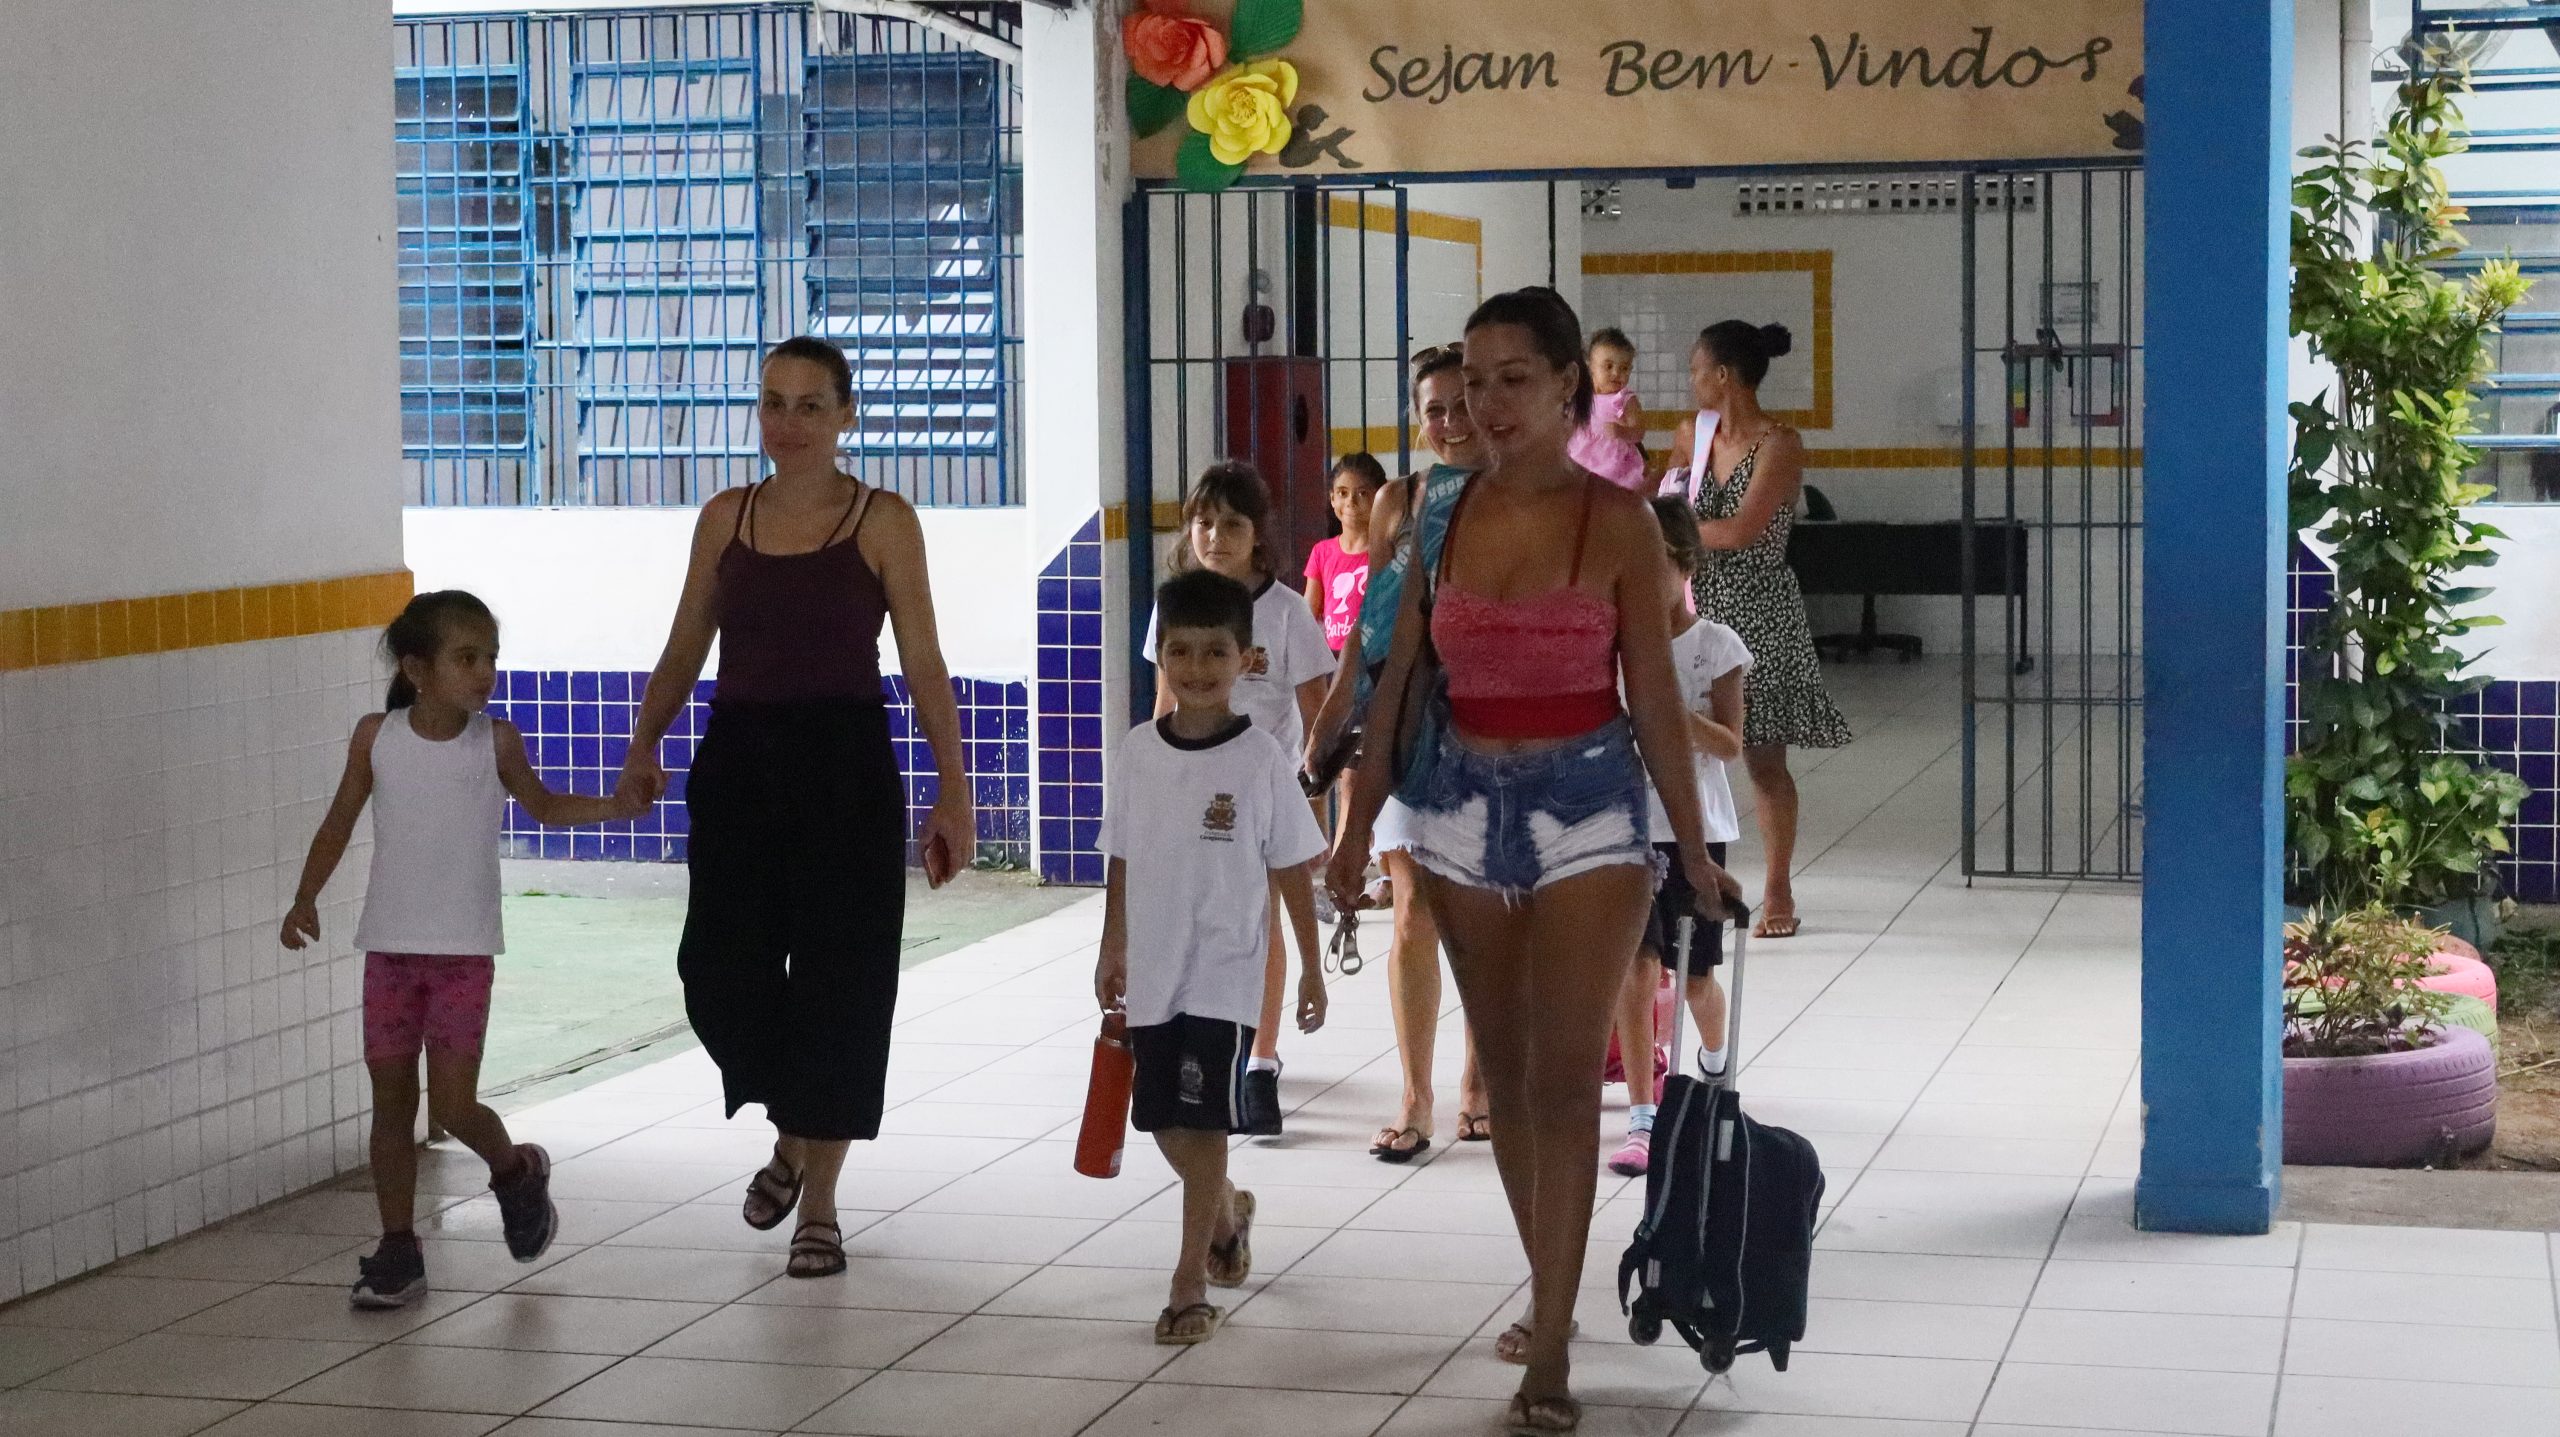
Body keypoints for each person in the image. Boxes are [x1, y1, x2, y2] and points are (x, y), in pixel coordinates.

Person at [1327, 288, 1743, 1435]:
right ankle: (1547, 1282)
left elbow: (1652, 701)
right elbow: (1400, 677)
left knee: (1563, 1080)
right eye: (1473, 380)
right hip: (1458, 809)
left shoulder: (1617, 522)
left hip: (1587, 811)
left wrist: (1694, 850)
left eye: (1514, 379)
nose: (1487, 402)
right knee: (1507, 1081)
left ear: (1568, 387)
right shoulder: (1436, 512)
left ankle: (1551, 1337)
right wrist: (1356, 828)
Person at [618, 336, 976, 1279]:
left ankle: (818, 1200)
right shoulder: (725, 519)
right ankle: (796, 1130)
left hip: (844, 770)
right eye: (774, 402)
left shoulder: (883, 521)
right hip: (740, 766)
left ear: (846, 416)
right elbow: (685, 642)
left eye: (811, 405)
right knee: (717, 973)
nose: (790, 423)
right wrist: (645, 741)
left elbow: (924, 660)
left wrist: (955, 789)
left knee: (841, 987)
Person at [282, 590, 651, 1308]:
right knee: (392, 1104)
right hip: (390, 951)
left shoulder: (496, 742)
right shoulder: (376, 737)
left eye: (491, 657)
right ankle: (398, 1247)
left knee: (453, 1105)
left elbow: (544, 806)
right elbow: (339, 819)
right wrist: (305, 897)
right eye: (467, 658)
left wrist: (615, 805)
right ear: (417, 669)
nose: (485, 672)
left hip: (462, 955)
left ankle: (514, 1171)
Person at [1096, 570, 1328, 1347]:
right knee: (1163, 1119)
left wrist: (1311, 966)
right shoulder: (1138, 751)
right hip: (1154, 969)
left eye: (1215, 651)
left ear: (1247, 659)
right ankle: (1227, 1213)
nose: (1197, 668)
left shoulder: (1260, 758)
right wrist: (1112, 943)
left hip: (1225, 973)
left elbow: (1291, 864)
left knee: (1202, 1118)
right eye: (1182, 651)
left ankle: (1188, 1281)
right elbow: (1121, 854)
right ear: (1159, 654)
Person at [1305, 345, 1488, 1164]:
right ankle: (1415, 1092)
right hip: (1406, 722)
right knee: (1412, 908)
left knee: (1481, 911)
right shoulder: (1398, 502)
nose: (1450, 423)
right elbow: (1368, 631)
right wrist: (1331, 718)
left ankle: (1479, 1079)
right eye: (1434, 409)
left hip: (1489, 724)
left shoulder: (1519, 495)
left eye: (1462, 404)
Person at [1148, 461, 1333, 1136]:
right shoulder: (1172, 604)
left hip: (1267, 789)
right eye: (1203, 523)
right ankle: (1205, 1037)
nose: (1214, 537)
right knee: (1205, 918)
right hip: (1192, 787)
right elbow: (1164, 703)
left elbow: (1316, 712)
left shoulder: (1286, 612)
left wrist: (1314, 798)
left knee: (1261, 922)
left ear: (1259, 535)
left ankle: (1260, 1061)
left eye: (1231, 525)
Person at [1677, 321, 1851, 939]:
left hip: (1761, 611)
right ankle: (1689, 876)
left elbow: (1740, 531)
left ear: (1724, 376)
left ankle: (1778, 887)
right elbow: (1664, 500)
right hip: (1694, 607)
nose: (1691, 381)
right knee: (1680, 746)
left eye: (1697, 369)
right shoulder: (1691, 436)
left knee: (1763, 757)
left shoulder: (1781, 444)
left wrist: (1670, 530)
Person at [1606, 499, 1752, 1177]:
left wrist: (1669, 713)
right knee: (1635, 970)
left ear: (1685, 565)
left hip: (1695, 830)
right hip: (1627, 826)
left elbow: (1730, 743)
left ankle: (1714, 1064)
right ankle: (1644, 1113)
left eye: (1654, 564)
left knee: (1695, 978)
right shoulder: (1614, 646)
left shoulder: (1716, 646)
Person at [1304, 452, 1386, 655]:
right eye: (1342, 493)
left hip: (1376, 657)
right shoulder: (1321, 552)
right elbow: (1307, 616)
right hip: (1333, 659)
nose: (1351, 502)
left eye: (1362, 493)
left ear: (1380, 497)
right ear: (1332, 498)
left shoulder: (1388, 552)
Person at [1568, 326, 1648, 491]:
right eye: (1608, 366)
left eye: (1624, 368)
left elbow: (1639, 431)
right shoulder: (1580, 396)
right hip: (1581, 460)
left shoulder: (1624, 399)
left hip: (1614, 467)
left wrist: (1621, 432)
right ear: (1590, 366)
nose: (1616, 373)